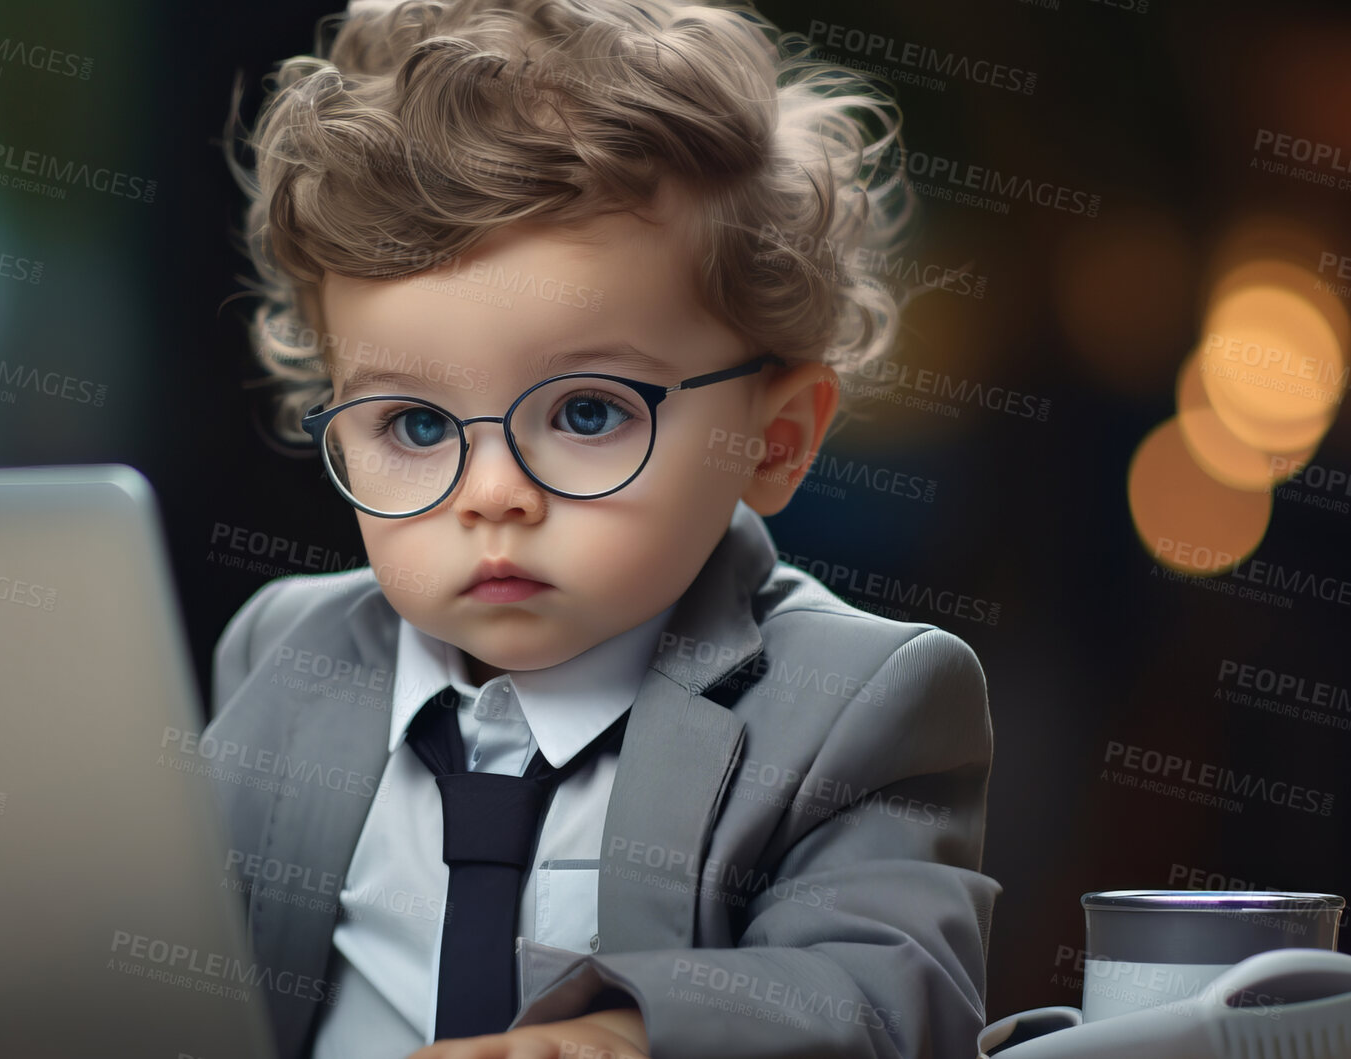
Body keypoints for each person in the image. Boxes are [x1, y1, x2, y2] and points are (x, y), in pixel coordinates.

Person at [201, 2, 998, 1056]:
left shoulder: (855, 707)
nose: (491, 494)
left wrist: (622, 1039)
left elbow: (890, 997)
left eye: (587, 413)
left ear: (773, 440)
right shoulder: (281, 652)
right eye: (415, 423)